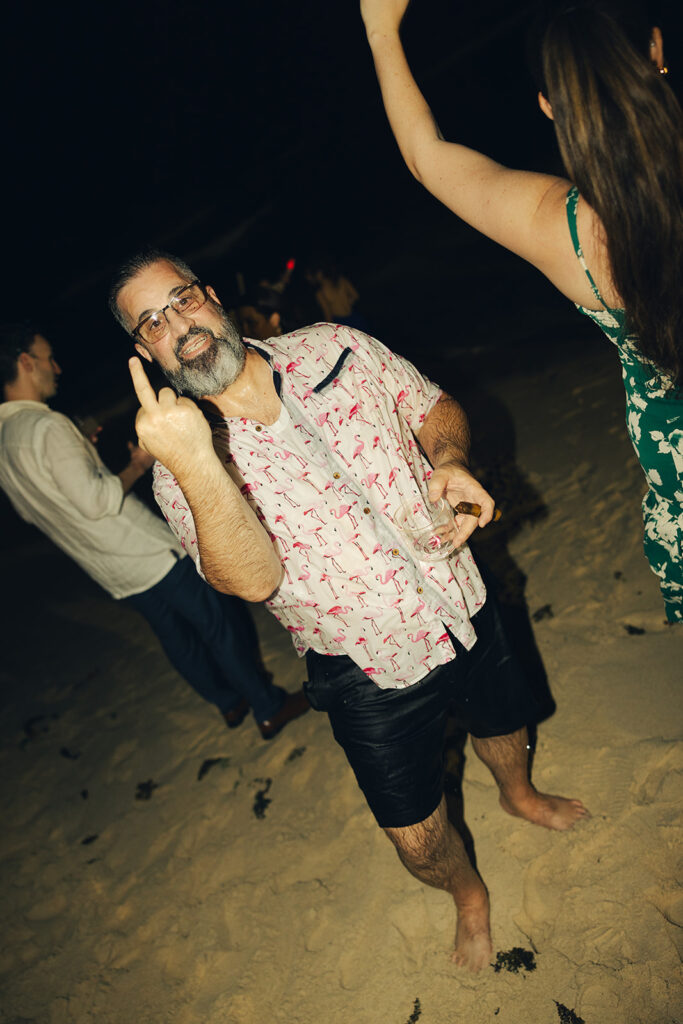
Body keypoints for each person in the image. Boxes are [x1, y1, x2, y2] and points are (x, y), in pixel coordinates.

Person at [109, 249, 588, 972]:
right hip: (363, 664)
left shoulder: (333, 347)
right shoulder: (183, 469)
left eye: (180, 299)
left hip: (458, 595)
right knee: (416, 839)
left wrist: (450, 458)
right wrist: (197, 461)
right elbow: (251, 580)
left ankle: (517, 793)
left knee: (502, 717)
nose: (176, 323)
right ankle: (467, 896)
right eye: (152, 320)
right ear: (143, 349)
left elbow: (431, 408)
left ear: (210, 296)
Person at [361, 0, 683, 622]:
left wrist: (380, 31)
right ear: (657, 49)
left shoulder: (566, 231)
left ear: (549, 106)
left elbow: (428, 157)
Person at [0, 323, 309, 740]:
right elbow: (98, 501)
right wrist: (140, 464)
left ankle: (228, 702)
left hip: (107, 568)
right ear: (25, 362)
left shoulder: (5, 440)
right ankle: (268, 707)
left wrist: (85, 460)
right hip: (146, 552)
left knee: (177, 638)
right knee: (220, 625)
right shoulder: (48, 427)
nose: (55, 366)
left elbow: (31, 511)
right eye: (47, 357)